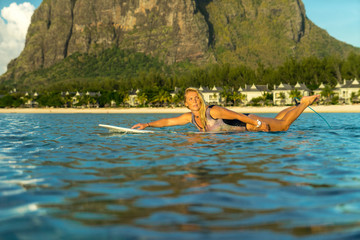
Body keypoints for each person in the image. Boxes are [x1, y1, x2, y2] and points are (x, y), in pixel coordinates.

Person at [131, 87, 320, 132]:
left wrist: (256, 123)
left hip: (249, 124)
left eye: (197, 97)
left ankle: (303, 104)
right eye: (191, 99)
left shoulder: (213, 111)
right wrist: (147, 124)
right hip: (248, 125)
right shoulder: (191, 118)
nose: (195, 101)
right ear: (186, 104)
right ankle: (298, 104)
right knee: (277, 120)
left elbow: (237, 115)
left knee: (284, 125)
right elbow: (168, 122)